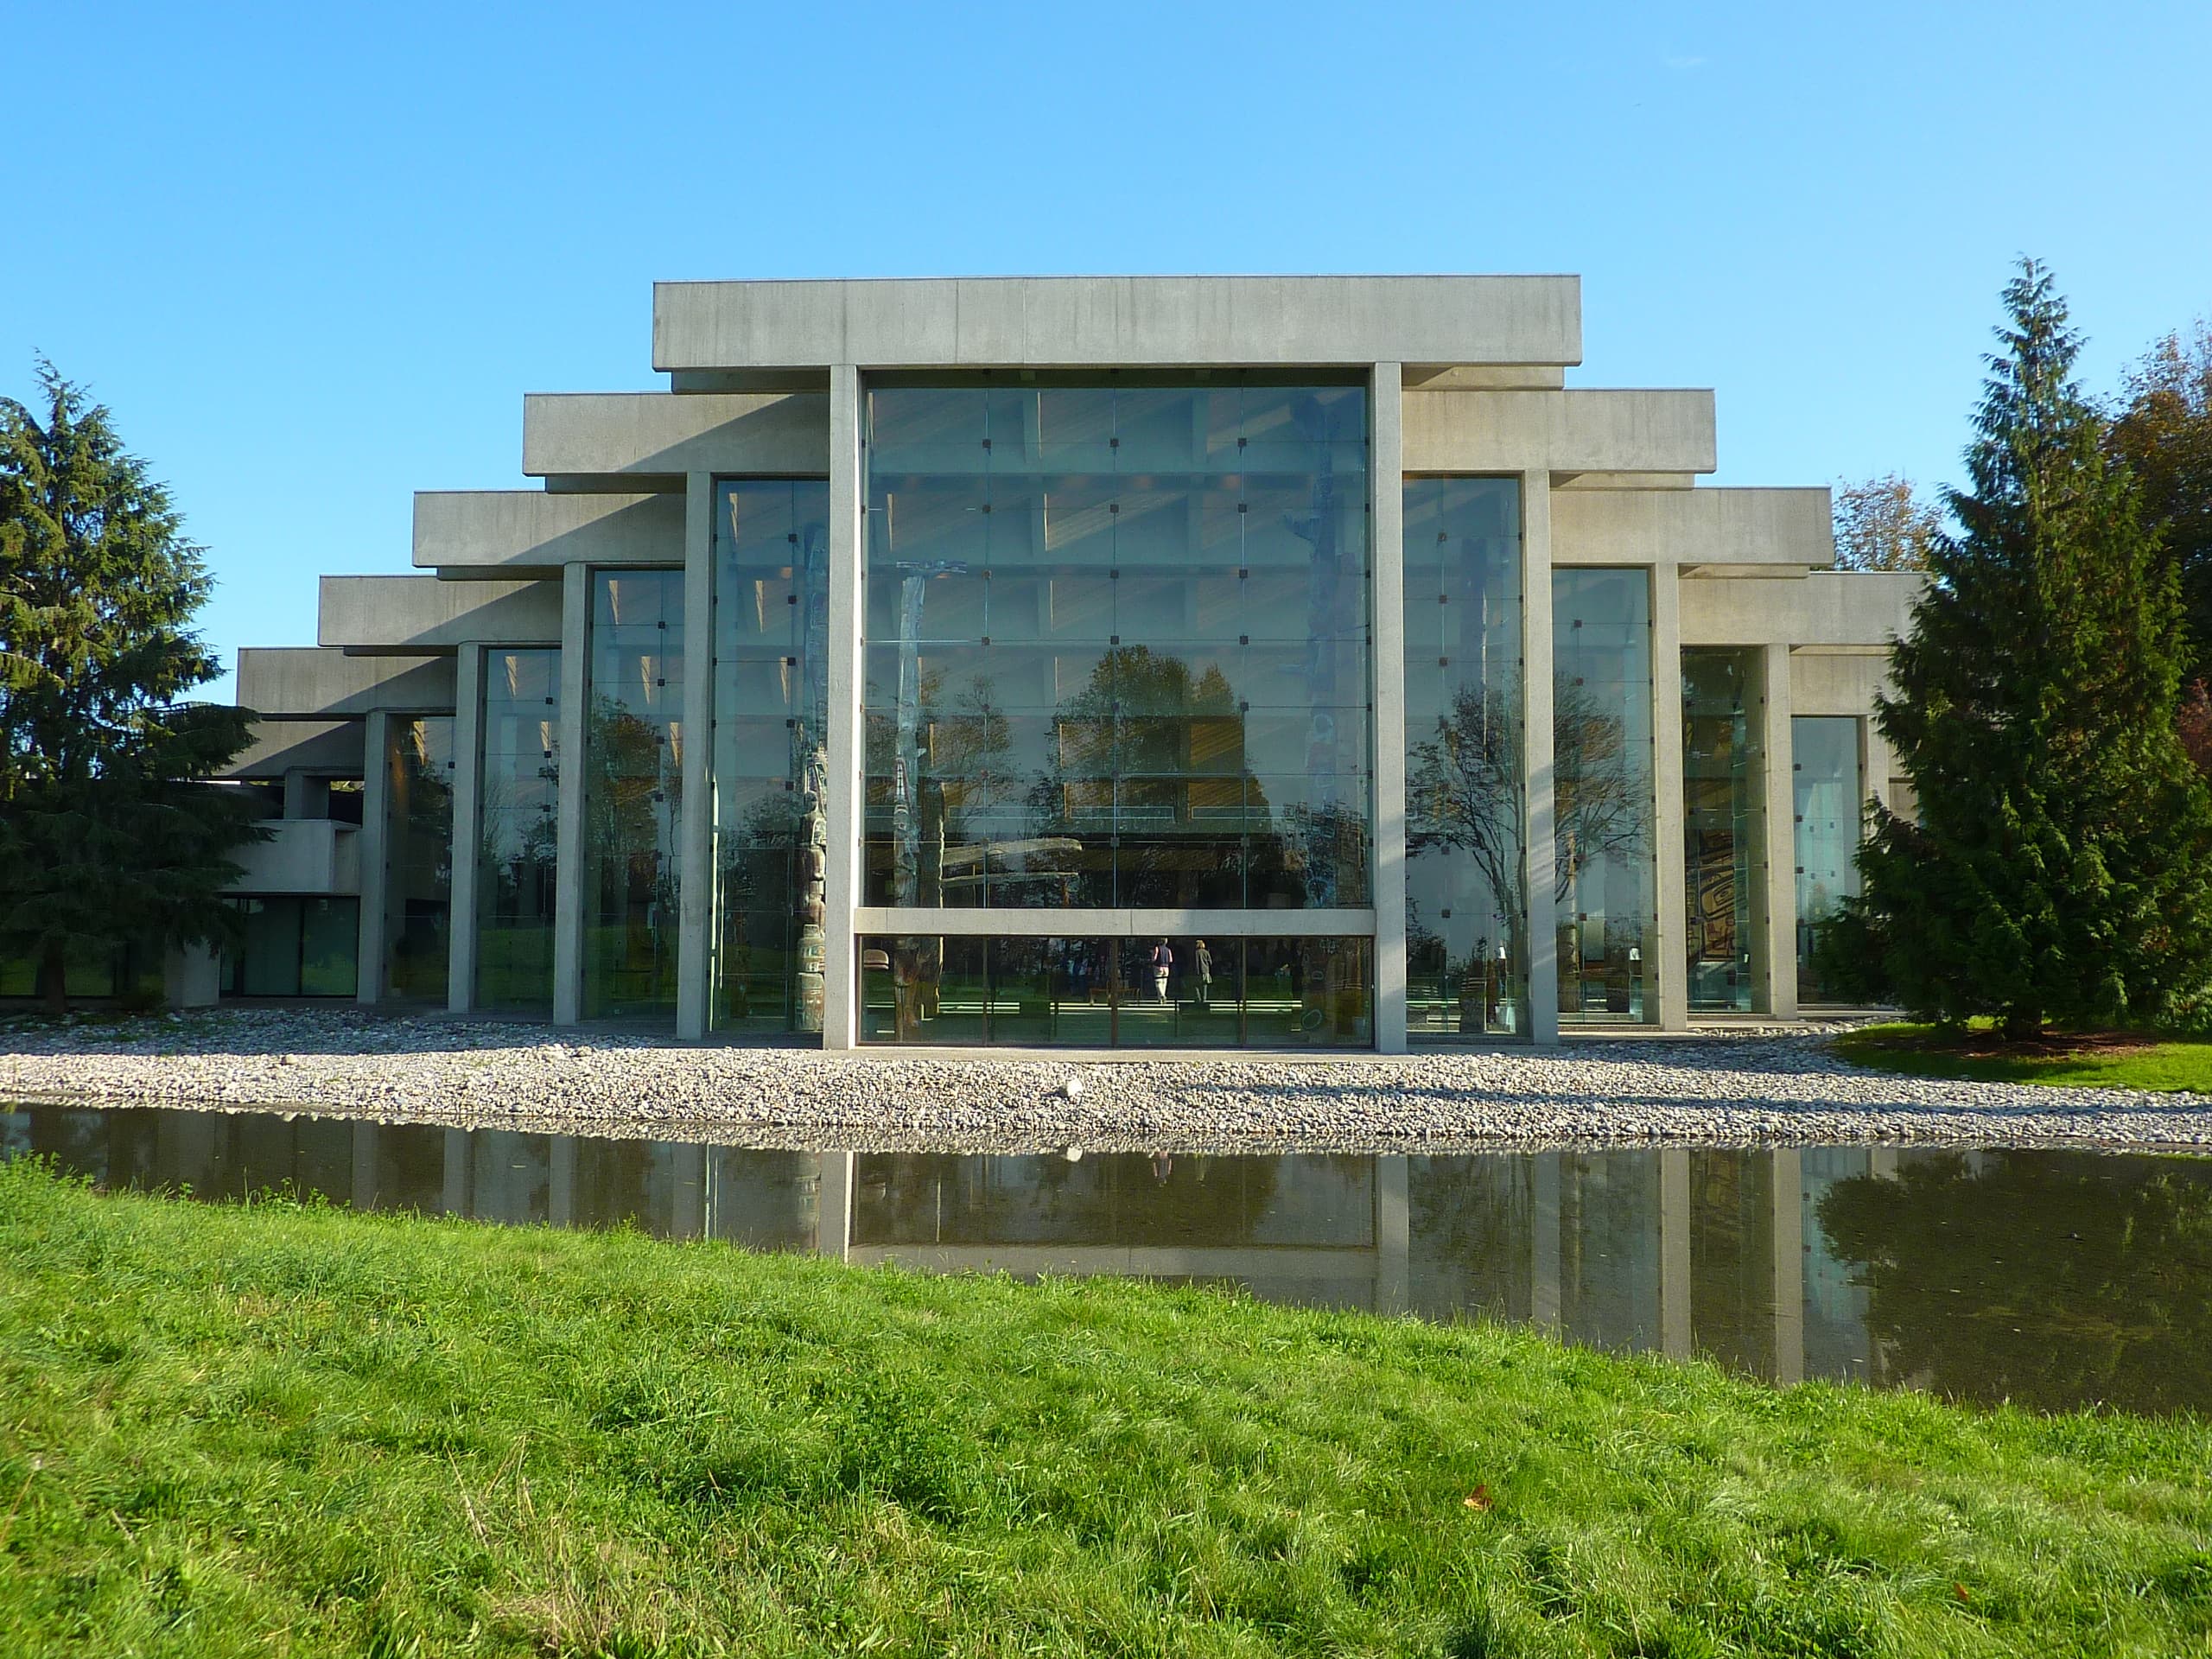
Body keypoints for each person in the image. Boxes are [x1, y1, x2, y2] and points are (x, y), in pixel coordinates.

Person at [1150, 938, 1173, 1004]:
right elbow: (1171, 960)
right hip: (1166, 968)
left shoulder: (1157, 948)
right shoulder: (1168, 950)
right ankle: (1161, 999)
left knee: (1158, 983)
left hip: (1158, 967)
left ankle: (1161, 995)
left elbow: (1154, 958)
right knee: (1164, 983)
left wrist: (1152, 956)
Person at [1193, 939, 1213, 1009]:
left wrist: (1196, 971)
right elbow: (1210, 962)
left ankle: (1199, 998)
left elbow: (1196, 962)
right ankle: (1204, 999)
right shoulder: (1206, 952)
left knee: (1197, 986)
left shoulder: (1197, 952)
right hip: (1206, 971)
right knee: (1205, 985)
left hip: (1199, 971)